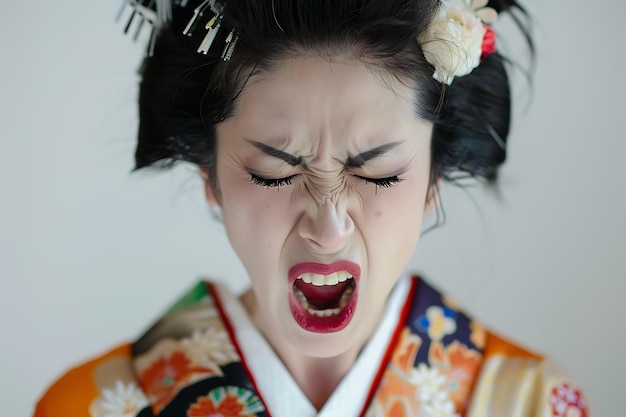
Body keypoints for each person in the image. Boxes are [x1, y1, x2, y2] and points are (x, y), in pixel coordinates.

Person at [34, 0, 589, 416]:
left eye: (379, 172)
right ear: (210, 176)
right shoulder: (91, 404)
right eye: (273, 171)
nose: (328, 226)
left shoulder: (532, 401)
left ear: (433, 179)